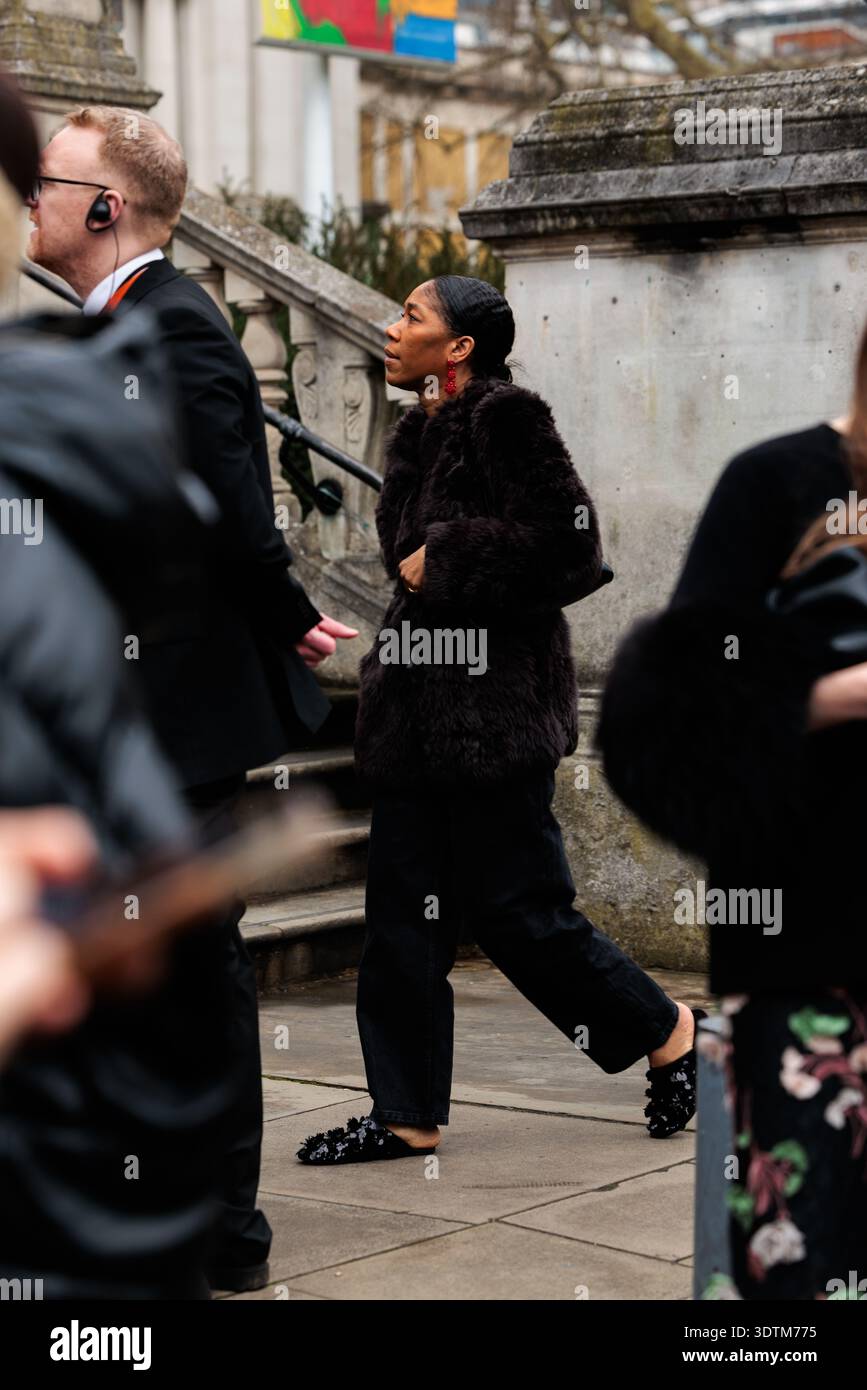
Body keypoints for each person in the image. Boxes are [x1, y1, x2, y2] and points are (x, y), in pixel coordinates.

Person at [26, 104, 358, 1289]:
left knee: (197, 966)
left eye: (46, 183)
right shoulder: (107, 330)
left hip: (179, 715)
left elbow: (234, 515)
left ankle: (224, 1230)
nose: (29, 198)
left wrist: (289, 618)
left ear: (105, 208)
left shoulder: (180, 328)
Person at [298, 275, 705, 1165]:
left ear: (460, 349)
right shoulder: (416, 433)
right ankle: (404, 1115)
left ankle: (673, 1034)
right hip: (414, 723)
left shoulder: (506, 417)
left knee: (524, 917)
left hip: (491, 723)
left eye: (412, 317)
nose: (390, 327)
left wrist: (445, 557)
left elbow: (572, 547)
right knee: (400, 923)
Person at [596, 319, 867, 1298]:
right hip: (814, 948)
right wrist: (838, 693)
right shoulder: (777, 483)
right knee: (803, 1261)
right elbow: (664, 709)